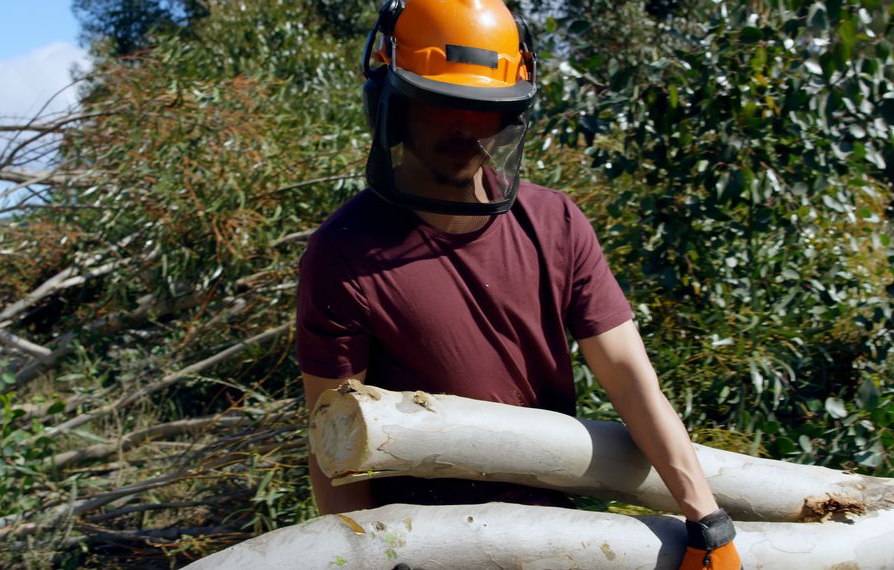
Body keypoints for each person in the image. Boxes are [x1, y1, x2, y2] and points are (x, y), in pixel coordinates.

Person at [295, 0, 742, 567]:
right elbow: (335, 444)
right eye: (438, 104)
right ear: (393, 105)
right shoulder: (344, 252)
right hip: (428, 549)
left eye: (483, 109)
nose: (462, 126)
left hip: (559, 537)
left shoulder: (555, 224)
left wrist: (707, 520)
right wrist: (364, 556)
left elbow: (631, 380)